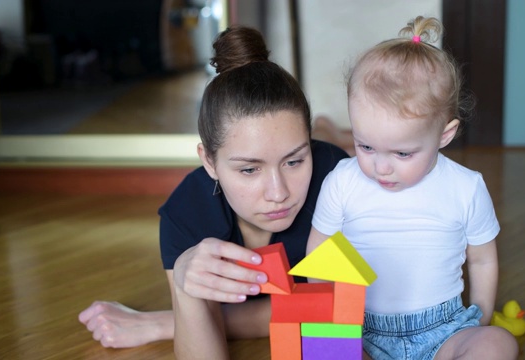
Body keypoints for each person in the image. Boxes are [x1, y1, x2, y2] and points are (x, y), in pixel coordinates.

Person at [78, 26, 349, 356]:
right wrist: (185, 291)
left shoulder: (334, 178)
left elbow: (340, 309)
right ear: (209, 161)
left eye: (294, 161)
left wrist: (163, 323)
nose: (278, 193)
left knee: (338, 144)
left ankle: (324, 128)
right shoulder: (185, 214)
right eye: (249, 169)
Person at [305, 16, 519, 359]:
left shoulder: (466, 188)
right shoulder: (342, 182)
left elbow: (481, 261)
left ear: (444, 136)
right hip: (359, 328)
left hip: (444, 329)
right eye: (365, 146)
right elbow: (318, 256)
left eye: (402, 152)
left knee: (497, 343)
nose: (381, 166)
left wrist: (477, 319)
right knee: (318, 348)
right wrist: (334, 322)